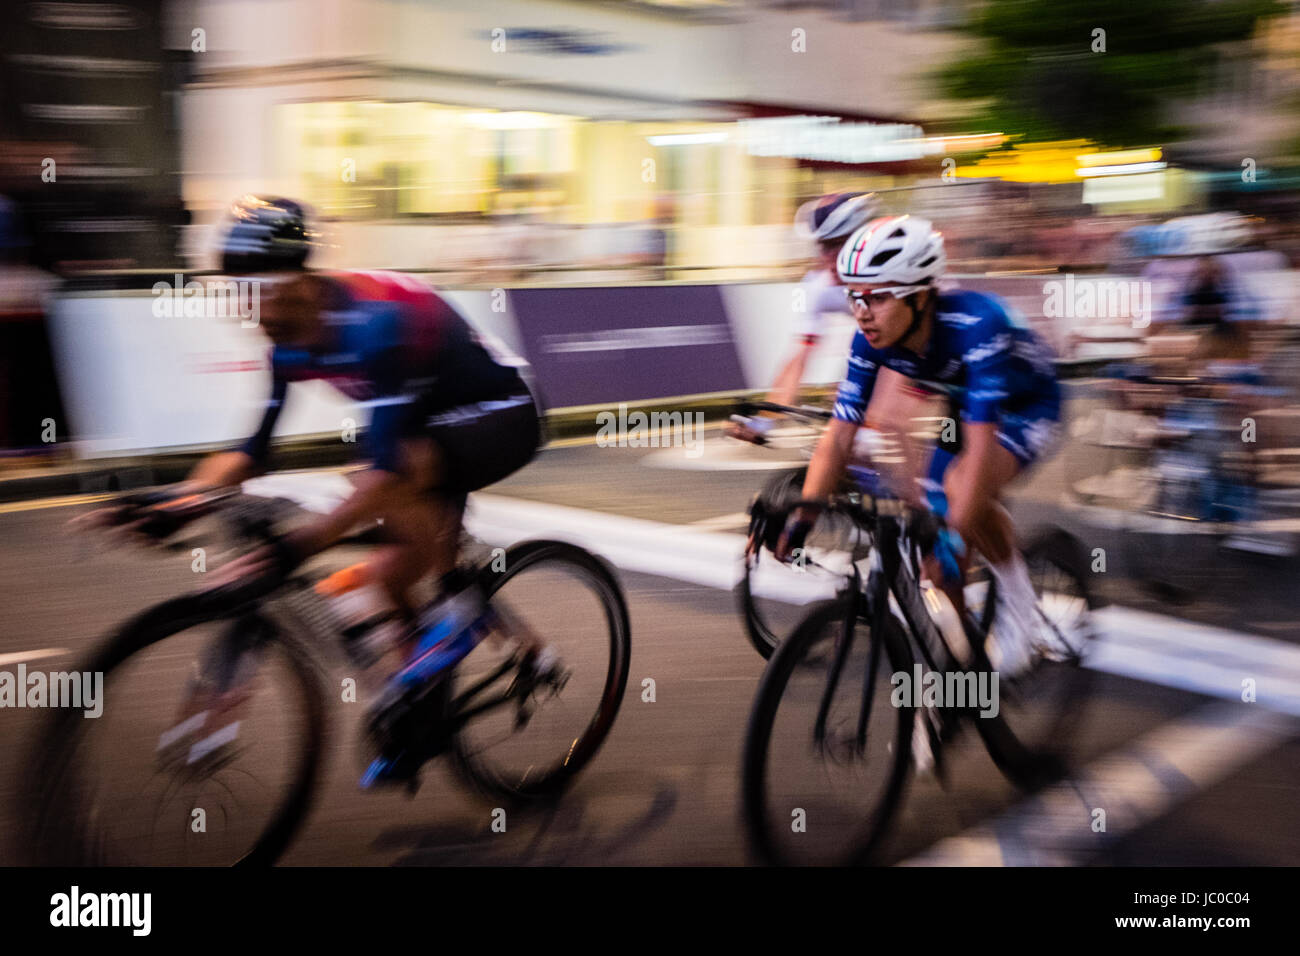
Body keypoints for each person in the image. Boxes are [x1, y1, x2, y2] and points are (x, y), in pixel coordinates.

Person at [80, 196, 551, 784]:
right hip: (427, 420)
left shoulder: (374, 323)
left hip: (501, 413)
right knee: (390, 573)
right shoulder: (287, 344)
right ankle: (426, 704)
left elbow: (385, 471)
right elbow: (251, 453)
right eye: (237, 294)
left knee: (383, 478)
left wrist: (299, 545)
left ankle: (460, 615)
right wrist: (178, 501)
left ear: (299, 280)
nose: (249, 311)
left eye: (257, 292)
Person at [778, 215, 1063, 679]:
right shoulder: (870, 338)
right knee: (936, 549)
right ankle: (961, 658)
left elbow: (979, 444)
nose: (862, 310)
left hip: (1027, 403)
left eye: (879, 296)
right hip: (963, 404)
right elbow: (839, 434)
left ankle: (1021, 605)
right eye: (855, 295)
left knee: (959, 491)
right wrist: (804, 514)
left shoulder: (977, 323)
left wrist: (957, 528)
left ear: (922, 294)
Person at [728, 192, 877, 443]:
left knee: (882, 423)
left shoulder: (886, 276)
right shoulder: (819, 287)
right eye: (822, 246)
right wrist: (766, 417)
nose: (827, 257)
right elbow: (798, 358)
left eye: (836, 244)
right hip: (883, 349)